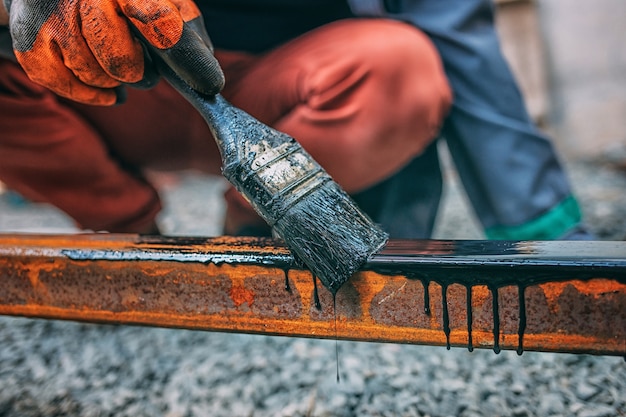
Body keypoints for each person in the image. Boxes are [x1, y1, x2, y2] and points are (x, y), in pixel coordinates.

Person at [0, 0, 590, 240]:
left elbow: (451, 22)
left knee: (400, 63)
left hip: (286, 96)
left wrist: (541, 228)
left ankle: (253, 228)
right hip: (116, 90)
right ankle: (129, 238)